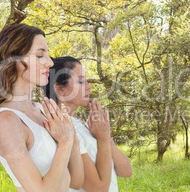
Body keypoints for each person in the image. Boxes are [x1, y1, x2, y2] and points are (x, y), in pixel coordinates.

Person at [0, 24, 84, 191]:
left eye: (48, 55)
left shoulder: (42, 109)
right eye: (40, 55)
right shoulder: (5, 121)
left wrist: (73, 140)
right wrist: (65, 142)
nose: (49, 63)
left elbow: (77, 181)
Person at [45, 56, 132, 192]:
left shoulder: (84, 125)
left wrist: (105, 137)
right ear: (60, 90)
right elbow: (98, 188)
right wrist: (102, 139)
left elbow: (126, 170)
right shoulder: (62, 128)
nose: (88, 86)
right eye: (81, 81)